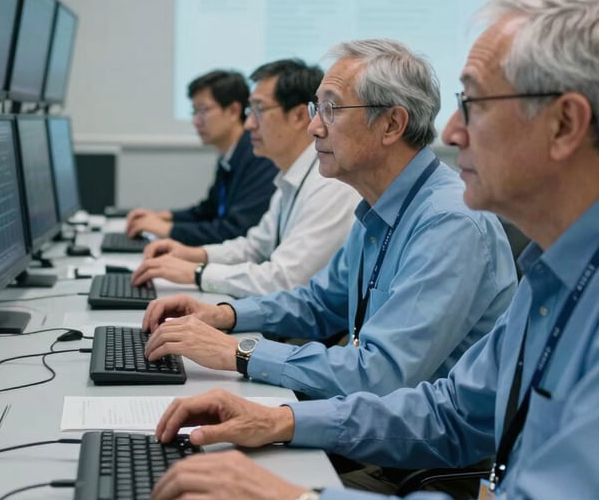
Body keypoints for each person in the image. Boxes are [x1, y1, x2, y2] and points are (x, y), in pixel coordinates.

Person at [149, 0, 599, 500]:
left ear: (565, 125)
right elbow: (451, 412)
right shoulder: (552, 274)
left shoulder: (453, 225)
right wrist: (281, 417)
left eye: (475, 103)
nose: (452, 129)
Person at [143, 39, 516, 400]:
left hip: (410, 455)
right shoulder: (380, 206)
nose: (314, 128)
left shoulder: (446, 223)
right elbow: (319, 303)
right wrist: (224, 314)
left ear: (391, 124)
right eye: (315, 109)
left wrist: (240, 352)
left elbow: (378, 373)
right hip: (367, 424)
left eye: (331, 110)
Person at [131, 59, 358, 298]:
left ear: (299, 116)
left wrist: (198, 273)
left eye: (259, 110)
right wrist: (197, 255)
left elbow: (285, 279)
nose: (249, 124)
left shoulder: (329, 184)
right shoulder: (290, 177)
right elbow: (254, 248)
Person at [125, 69, 277, 245]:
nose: (196, 121)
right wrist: (164, 217)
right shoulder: (230, 154)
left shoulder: (257, 155)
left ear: (233, 111)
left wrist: (167, 229)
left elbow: (236, 230)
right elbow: (209, 210)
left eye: (203, 111)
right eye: (194, 112)